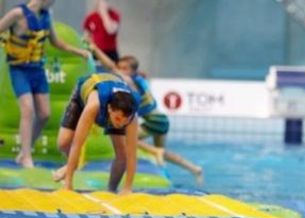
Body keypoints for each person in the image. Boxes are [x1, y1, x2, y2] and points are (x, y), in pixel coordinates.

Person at [88, 43, 204, 184]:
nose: (120, 71)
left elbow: (112, 67)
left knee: (126, 139)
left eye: (125, 69)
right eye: (120, 68)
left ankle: (156, 157)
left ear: (133, 71)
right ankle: (194, 169)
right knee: (161, 152)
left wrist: (95, 49)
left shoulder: (131, 81)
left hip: (154, 120)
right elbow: (114, 67)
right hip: (161, 119)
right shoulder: (139, 79)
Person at [0, 0, 90, 168]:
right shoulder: (17, 14)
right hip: (19, 69)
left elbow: (56, 42)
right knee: (27, 109)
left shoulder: (47, 15)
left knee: (44, 114)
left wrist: (79, 51)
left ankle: (24, 152)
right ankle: (26, 156)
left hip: (37, 70)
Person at [53, 73, 138, 194]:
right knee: (63, 143)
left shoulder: (130, 117)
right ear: (109, 109)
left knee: (122, 155)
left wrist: (128, 188)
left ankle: (111, 190)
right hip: (83, 96)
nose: (121, 124)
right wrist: (68, 184)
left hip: (116, 100)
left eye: (125, 121)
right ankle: (73, 164)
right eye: (118, 119)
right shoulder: (94, 105)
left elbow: (132, 154)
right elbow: (77, 144)